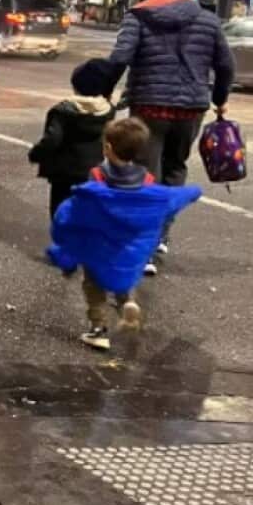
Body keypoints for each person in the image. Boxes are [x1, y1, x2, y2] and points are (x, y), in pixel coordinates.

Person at [107, 0, 235, 274]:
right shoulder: (208, 20)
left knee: (145, 174)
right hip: (191, 107)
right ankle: (162, 235)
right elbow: (226, 65)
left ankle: (145, 250)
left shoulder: (138, 17)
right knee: (175, 169)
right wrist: (219, 99)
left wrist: (104, 91)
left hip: (149, 106)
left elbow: (120, 56)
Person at [48, 118, 201, 351]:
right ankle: (127, 304)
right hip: (126, 245)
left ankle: (98, 330)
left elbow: (81, 209)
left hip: (98, 245)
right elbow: (165, 198)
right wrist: (192, 193)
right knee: (123, 276)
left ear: (107, 148)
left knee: (94, 286)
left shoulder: (97, 177)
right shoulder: (146, 179)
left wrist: (66, 234)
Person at [29, 59, 118, 218]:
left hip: (64, 172)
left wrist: (36, 153)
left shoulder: (62, 111)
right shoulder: (107, 111)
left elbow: (52, 140)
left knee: (61, 210)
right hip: (94, 170)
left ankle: (64, 238)